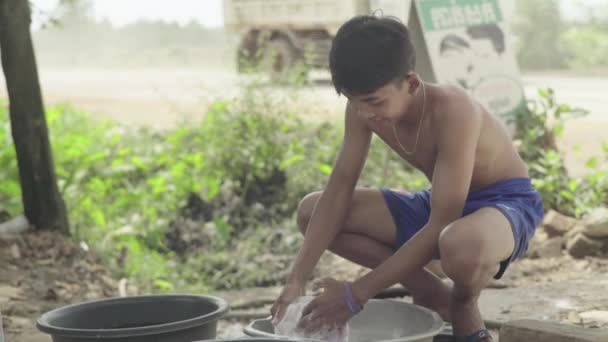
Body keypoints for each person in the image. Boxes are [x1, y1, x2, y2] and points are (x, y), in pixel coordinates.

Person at [270, 15, 543, 342]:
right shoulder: (362, 109)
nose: (366, 112)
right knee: (311, 211)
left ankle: (461, 300)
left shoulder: (455, 110)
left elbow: (444, 222)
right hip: (440, 202)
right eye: (353, 101)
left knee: (459, 242)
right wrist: (296, 279)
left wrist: (355, 294)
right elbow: (340, 186)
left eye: (374, 101)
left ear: (411, 83)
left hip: (504, 207)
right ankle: (429, 290)